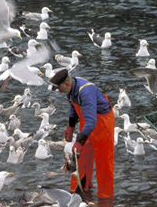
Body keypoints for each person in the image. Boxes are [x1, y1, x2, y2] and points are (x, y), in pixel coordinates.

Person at [49, 69, 114, 198]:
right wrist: (71, 126)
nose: (59, 91)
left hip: (102, 124)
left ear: (67, 84)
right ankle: (78, 192)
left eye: (59, 88)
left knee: (103, 162)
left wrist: (79, 141)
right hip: (87, 122)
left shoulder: (85, 91)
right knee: (79, 157)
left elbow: (91, 122)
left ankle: (105, 199)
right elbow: (73, 106)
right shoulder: (71, 89)